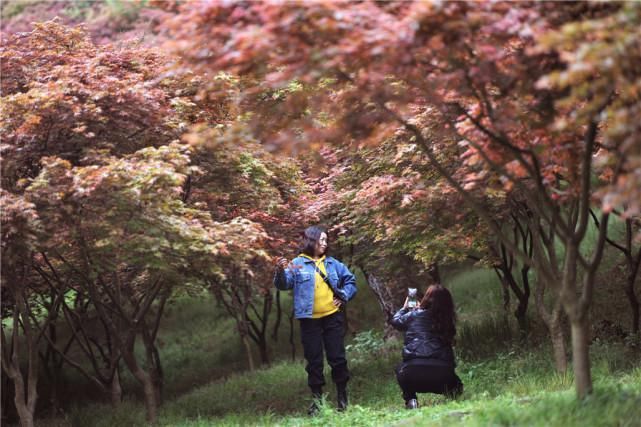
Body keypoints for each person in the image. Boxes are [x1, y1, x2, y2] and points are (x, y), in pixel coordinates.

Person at [273, 225, 357, 414]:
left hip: (332, 318)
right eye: (322, 240)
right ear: (312, 241)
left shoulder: (333, 263)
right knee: (314, 361)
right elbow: (284, 284)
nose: (325, 244)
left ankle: (342, 399)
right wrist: (279, 270)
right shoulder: (297, 263)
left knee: (338, 358)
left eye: (326, 241)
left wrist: (343, 295)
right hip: (309, 320)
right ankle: (318, 402)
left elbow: (351, 281)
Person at [390, 284, 463, 409]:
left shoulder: (414, 315)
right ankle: (452, 398)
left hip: (412, 375)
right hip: (442, 377)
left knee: (400, 369)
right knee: (458, 386)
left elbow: (396, 321)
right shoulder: (447, 320)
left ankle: (411, 400)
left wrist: (405, 308)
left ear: (426, 298)